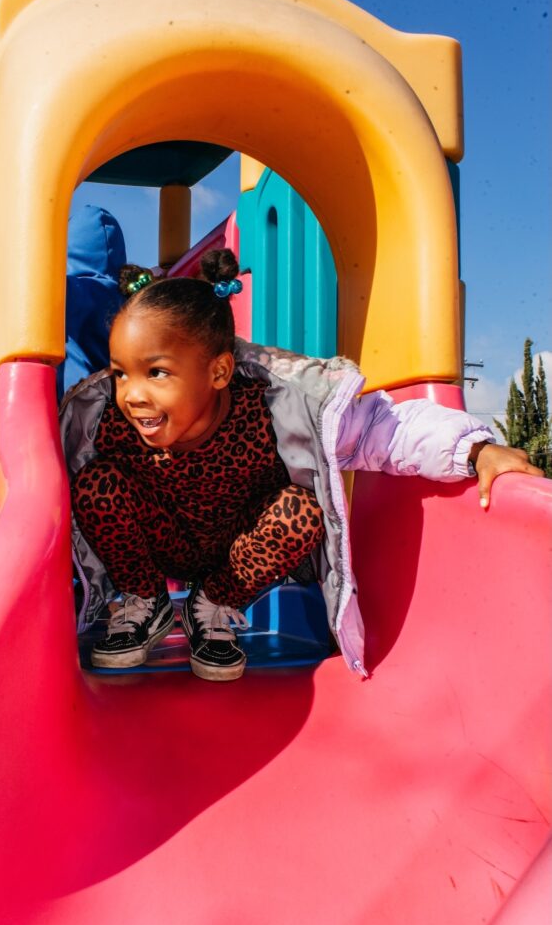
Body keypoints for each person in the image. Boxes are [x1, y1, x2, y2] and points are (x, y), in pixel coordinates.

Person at [60, 249, 543, 682]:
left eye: (156, 373)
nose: (131, 394)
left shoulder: (272, 405)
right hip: (158, 545)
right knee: (97, 483)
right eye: (121, 373)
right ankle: (146, 602)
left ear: (219, 372)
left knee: (300, 510)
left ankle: (214, 605)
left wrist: (476, 450)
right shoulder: (107, 420)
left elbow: (386, 428)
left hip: (236, 554)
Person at [56, 203, 128, 402]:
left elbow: (7, 298)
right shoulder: (129, 298)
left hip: (77, 396)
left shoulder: (70, 289)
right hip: (116, 396)